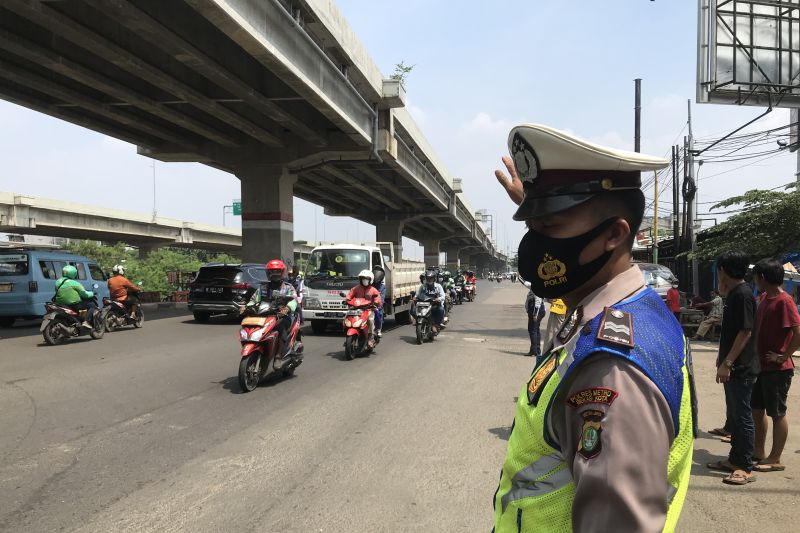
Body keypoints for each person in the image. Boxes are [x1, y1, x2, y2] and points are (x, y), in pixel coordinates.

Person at [492, 124, 695, 531]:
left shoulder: (611, 368)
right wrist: (541, 212)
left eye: (550, 228)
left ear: (613, 235)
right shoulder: (636, 307)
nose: (535, 245)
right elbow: (568, 300)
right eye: (532, 226)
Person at [706, 251, 759, 485]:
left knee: (743, 416)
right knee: (736, 416)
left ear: (724, 270)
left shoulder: (743, 295)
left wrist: (728, 363)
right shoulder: (735, 293)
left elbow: (745, 332)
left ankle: (745, 466)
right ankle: (735, 459)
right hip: (733, 365)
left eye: (719, 270)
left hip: (741, 367)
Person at [751, 258, 800, 473]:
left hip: (778, 370)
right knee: (756, 409)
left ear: (762, 278)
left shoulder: (784, 301)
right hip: (760, 367)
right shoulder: (763, 298)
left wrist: (783, 356)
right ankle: (758, 451)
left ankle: (775, 458)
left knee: (777, 412)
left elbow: (797, 332)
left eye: (756, 277)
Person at [242, 259, 299, 359]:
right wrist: (246, 307)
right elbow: (254, 300)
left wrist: (287, 308)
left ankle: (278, 355)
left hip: (282, 316)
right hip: (265, 315)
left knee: (280, 328)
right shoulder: (262, 288)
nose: (275, 274)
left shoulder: (288, 287)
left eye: (277, 271)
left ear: (282, 272)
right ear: (268, 273)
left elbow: (294, 300)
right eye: (272, 271)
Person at [345, 269, 382, 347]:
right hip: (356, 309)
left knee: (370, 320)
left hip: (368, 309)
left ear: (370, 280)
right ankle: (347, 336)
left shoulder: (373, 290)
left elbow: (378, 299)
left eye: (366, 279)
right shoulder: (356, 288)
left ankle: (370, 339)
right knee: (347, 318)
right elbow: (350, 295)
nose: (364, 281)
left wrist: (375, 302)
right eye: (363, 279)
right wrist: (347, 300)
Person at [523, 279, 546, 362]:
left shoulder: (537, 287)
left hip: (536, 310)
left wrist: (535, 314)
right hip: (537, 310)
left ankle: (534, 351)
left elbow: (538, 300)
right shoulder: (534, 285)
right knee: (536, 330)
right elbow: (526, 283)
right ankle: (537, 349)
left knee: (532, 330)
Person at [372, 265, 386, 338]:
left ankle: (378, 329)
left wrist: (377, 304)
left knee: (379, 312)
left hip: (376, 305)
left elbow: (382, 299)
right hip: (367, 305)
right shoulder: (369, 285)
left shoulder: (382, 287)